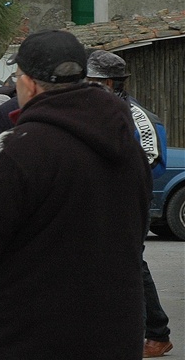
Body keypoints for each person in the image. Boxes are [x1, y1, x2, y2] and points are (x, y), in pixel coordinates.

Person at [0, 30, 152, 360]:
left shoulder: (19, 148)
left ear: (28, 83)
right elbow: (136, 231)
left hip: (32, 337)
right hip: (115, 336)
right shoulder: (128, 148)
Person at [86, 49, 172, 358]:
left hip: (128, 201)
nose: (84, 85)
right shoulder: (94, 111)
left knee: (131, 262)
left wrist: (111, 175)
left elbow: (154, 160)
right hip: (101, 199)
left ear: (108, 83)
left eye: (90, 80)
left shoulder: (139, 117)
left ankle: (157, 332)